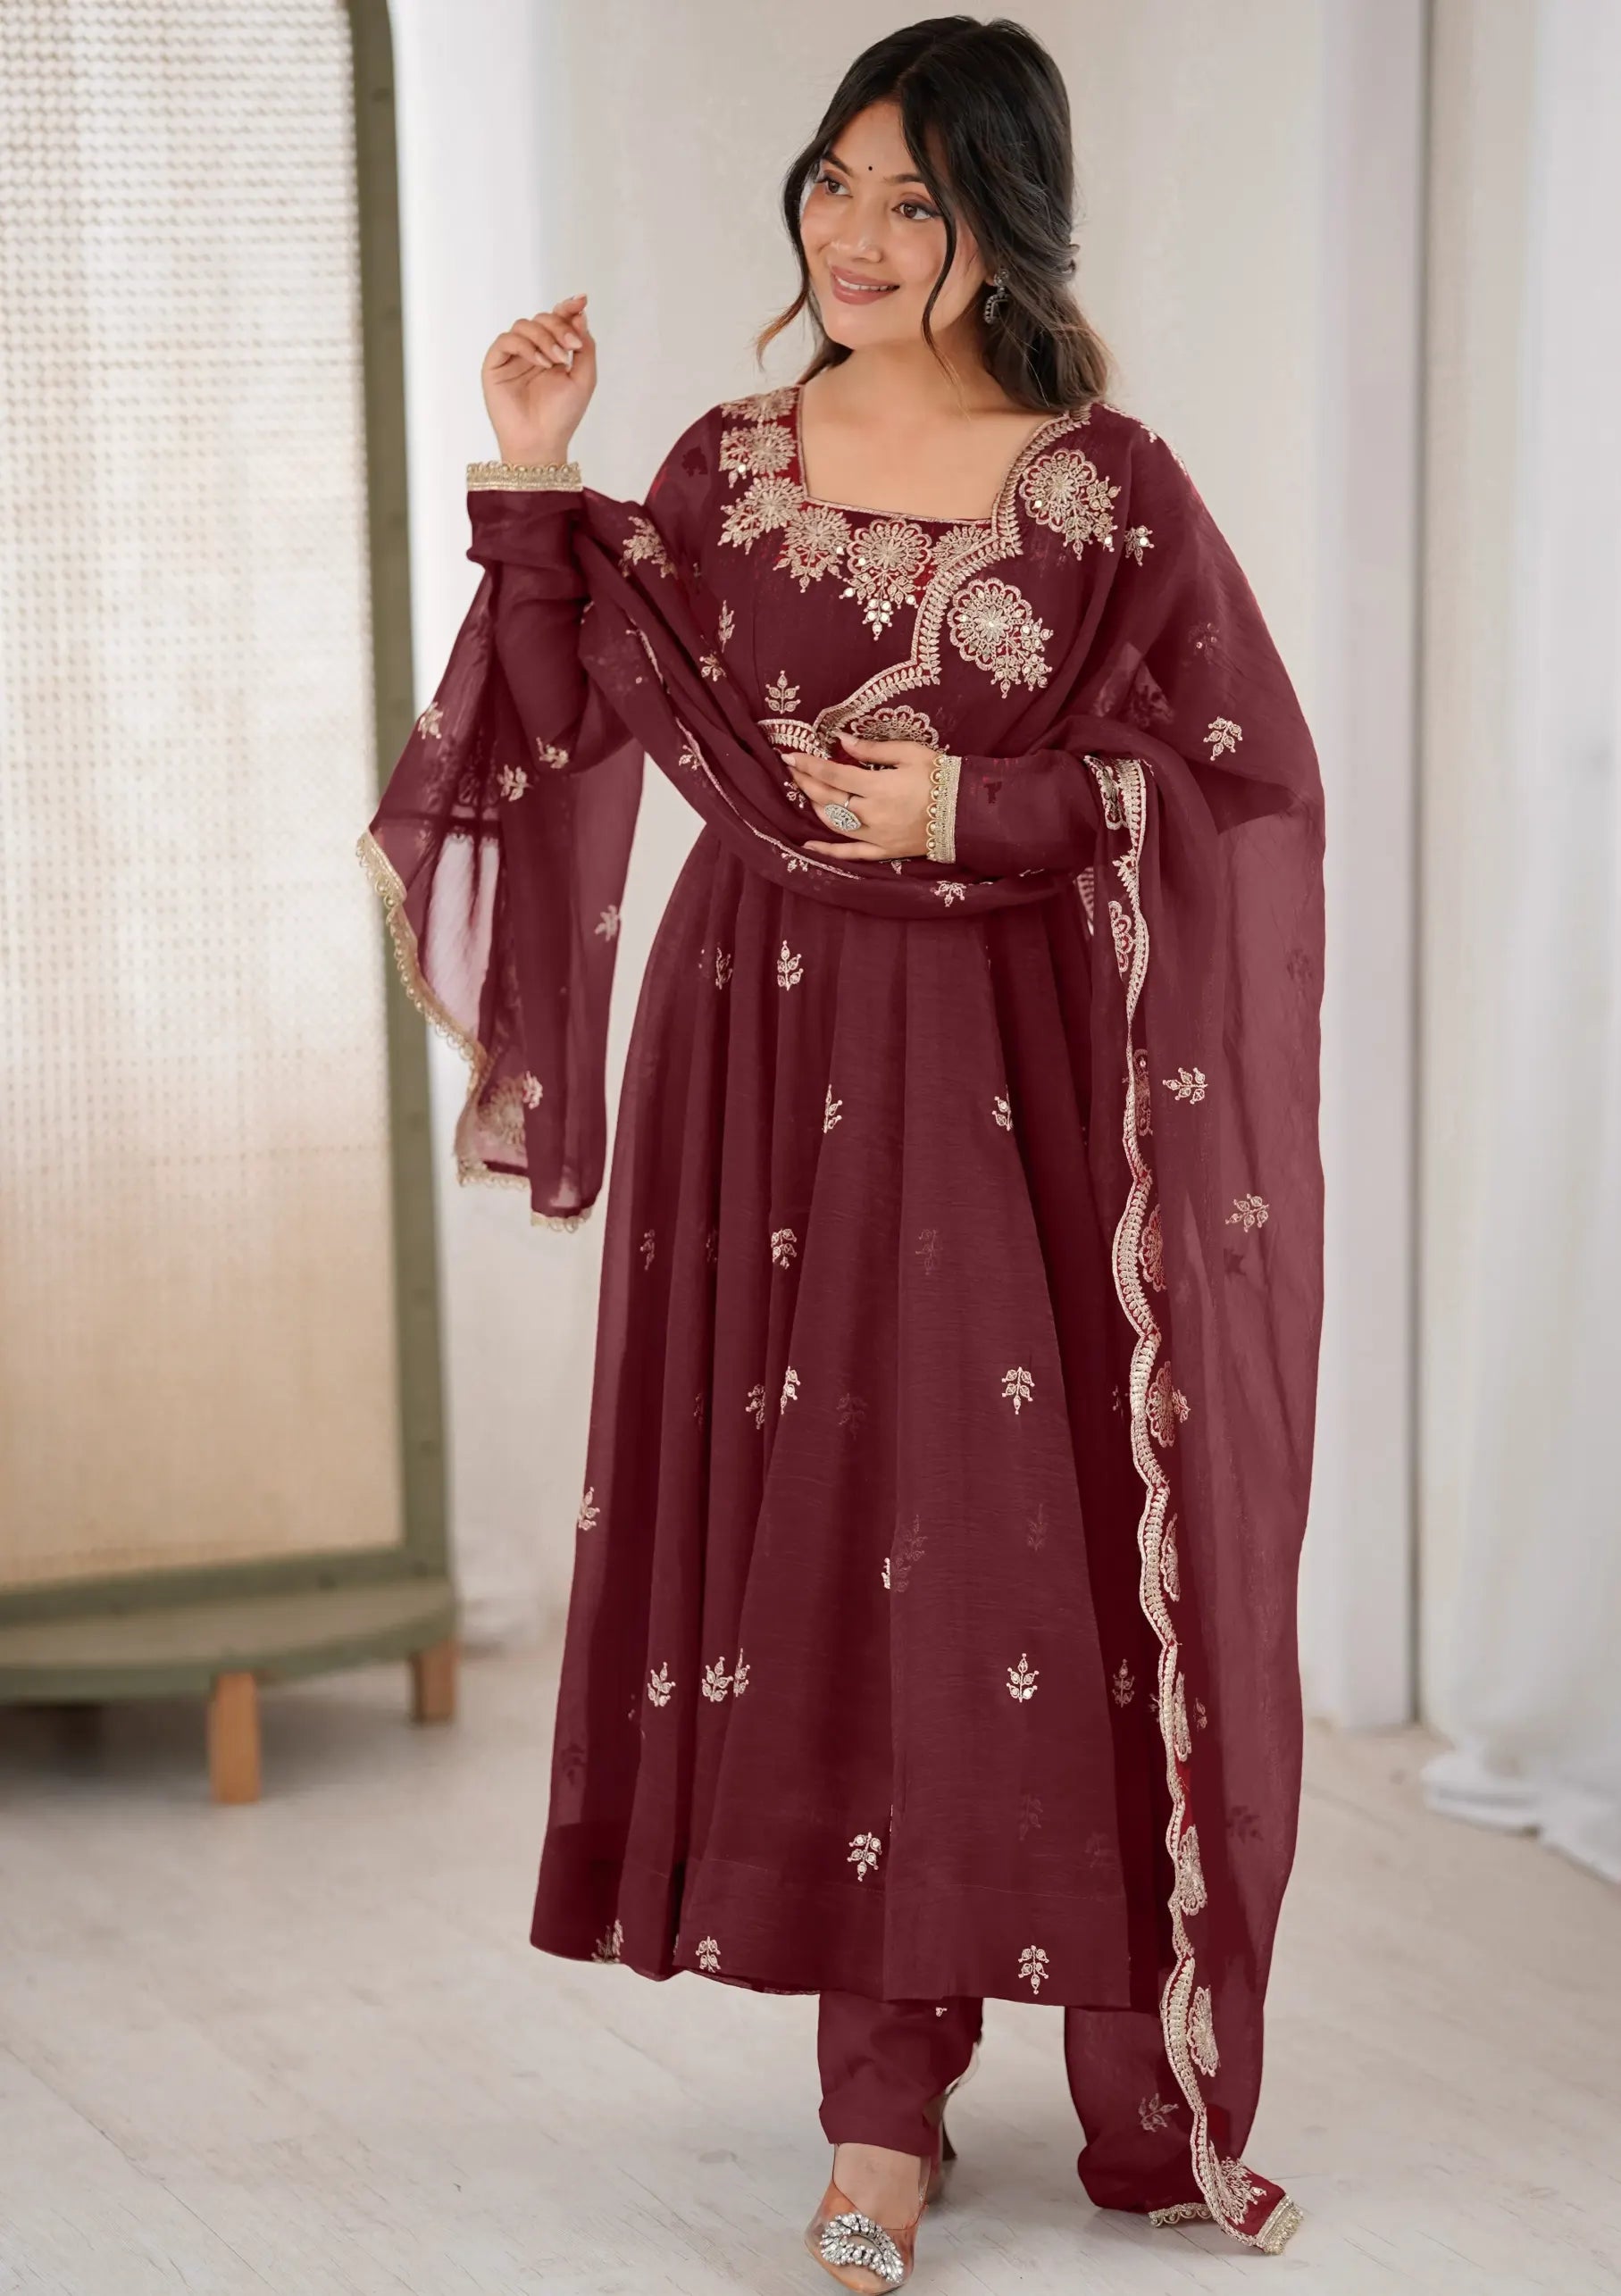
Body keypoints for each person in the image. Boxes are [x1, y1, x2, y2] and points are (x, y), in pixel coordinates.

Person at [361, 16, 1324, 2288]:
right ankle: (872, 2112)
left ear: (1003, 214)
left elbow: (1244, 795)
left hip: (1010, 1074)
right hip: (762, 1051)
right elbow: (581, 701)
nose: (860, 238)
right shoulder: (722, 456)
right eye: (834, 186)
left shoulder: (1109, 487)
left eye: (915, 197)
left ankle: (961, 2064)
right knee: (809, 1547)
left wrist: (987, 805)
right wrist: (535, 462)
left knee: (996, 1552)